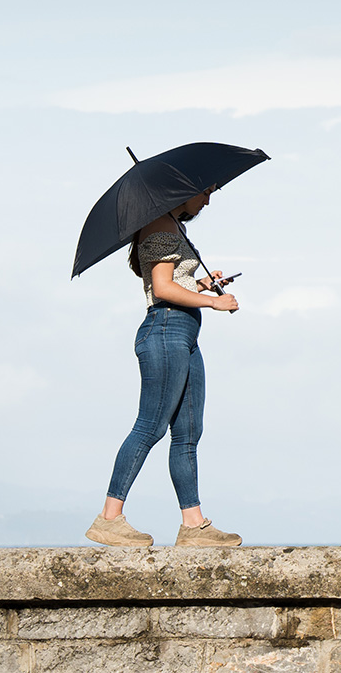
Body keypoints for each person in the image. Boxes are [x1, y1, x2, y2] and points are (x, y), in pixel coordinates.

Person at [85, 189, 243, 547]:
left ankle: (194, 526)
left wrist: (203, 284)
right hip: (165, 330)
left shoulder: (172, 226)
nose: (207, 202)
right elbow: (162, 287)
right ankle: (109, 518)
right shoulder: (159, 225)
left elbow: (176, 283)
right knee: (150, 425)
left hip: (184, 334)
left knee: (188, 432)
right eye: (205, 193)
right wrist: (213, 301)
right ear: (184, 191)